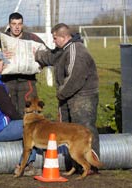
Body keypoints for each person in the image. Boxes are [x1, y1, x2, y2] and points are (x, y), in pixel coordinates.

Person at [35, 23, 100, 174]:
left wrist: (60, 94)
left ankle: (92, 165)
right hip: (69, 97)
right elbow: (51, 57)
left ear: (64, 37)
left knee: (84, 129)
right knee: (69, 131)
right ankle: (77, 165)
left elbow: (75, 78)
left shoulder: (76, 50)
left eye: (55, 38)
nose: (53, 41)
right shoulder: (64, 49)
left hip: (82, 97)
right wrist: (37, 55)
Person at [0, 12, 45, 117]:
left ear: (22, 25)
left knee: (29, 112)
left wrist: (39, 56)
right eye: (14, 24)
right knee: (8, 111)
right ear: (9, 25)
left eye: (19, 24)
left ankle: (27, 132)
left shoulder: (32, 38)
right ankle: (10, 132)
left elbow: (47, 54)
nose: (17, 27)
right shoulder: (1, 38)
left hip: (28, 81)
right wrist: (0, 54)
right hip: (7, 81)